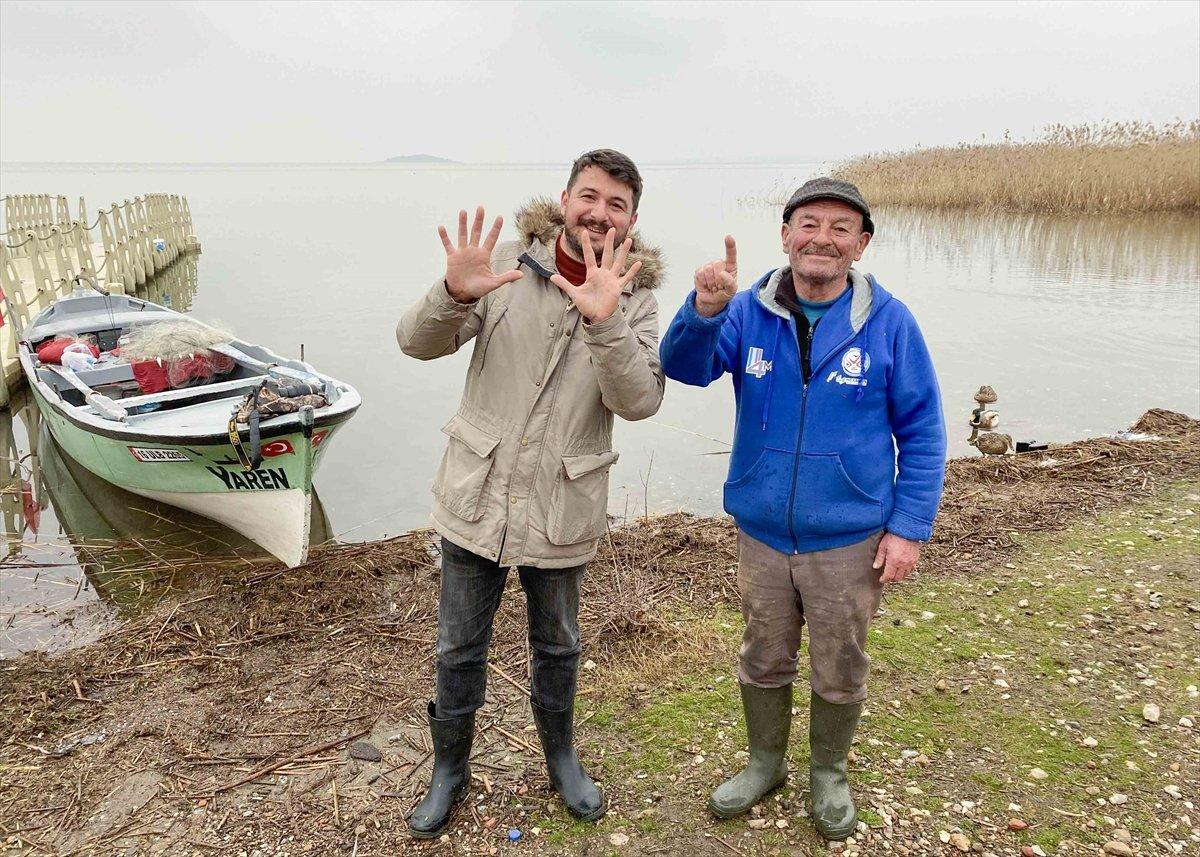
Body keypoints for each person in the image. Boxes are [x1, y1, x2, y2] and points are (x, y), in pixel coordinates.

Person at [659, 177, 946, 840]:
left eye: (841, 228)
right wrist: (703, 310)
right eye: (809, 224)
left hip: (849, 536)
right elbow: (685, 367)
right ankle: (765, 763)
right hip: (762, 531)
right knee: (764, 654)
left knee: (841, 661)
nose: (823, 238)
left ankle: (828, 772)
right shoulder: (746, 310)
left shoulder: (891, 322)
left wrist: (908, 527)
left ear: (861, 244)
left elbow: (924, 430)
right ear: (785, 236)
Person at [396, 149, 665, 837]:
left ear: (631, 220)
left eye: (616, 205)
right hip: (478, 493)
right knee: (458, 646)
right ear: (565, 200)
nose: (599, 213)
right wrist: (453, 294)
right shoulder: (505, 266)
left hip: (562, 504)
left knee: (559, 644)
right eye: (589, 196)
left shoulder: (636, 298)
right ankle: (449, 767)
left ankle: (561, 758)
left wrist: (605, 322)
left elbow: (639, 401)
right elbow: (414, 344)